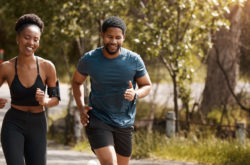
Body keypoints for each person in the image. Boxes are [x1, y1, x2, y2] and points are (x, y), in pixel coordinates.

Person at [72, 16, 152, 165]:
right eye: (109, 37)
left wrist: (136, 94)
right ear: (102, 35)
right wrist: (81, 106)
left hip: (125, 121)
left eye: (118, 37)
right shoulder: (89, 59)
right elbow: (77, 82)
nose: (113, 41)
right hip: (98, 118)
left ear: (124, 37)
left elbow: (146, 85)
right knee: (110, 163)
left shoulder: (134, 60)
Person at [0, 13, 60, 165]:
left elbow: (56, 98)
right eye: (27, 37)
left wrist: (45, 101)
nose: (31, 42)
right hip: (13, 124)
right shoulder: (6, 67)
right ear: (18, 38)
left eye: (36, 39)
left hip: (38, 125)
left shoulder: (48, 67)